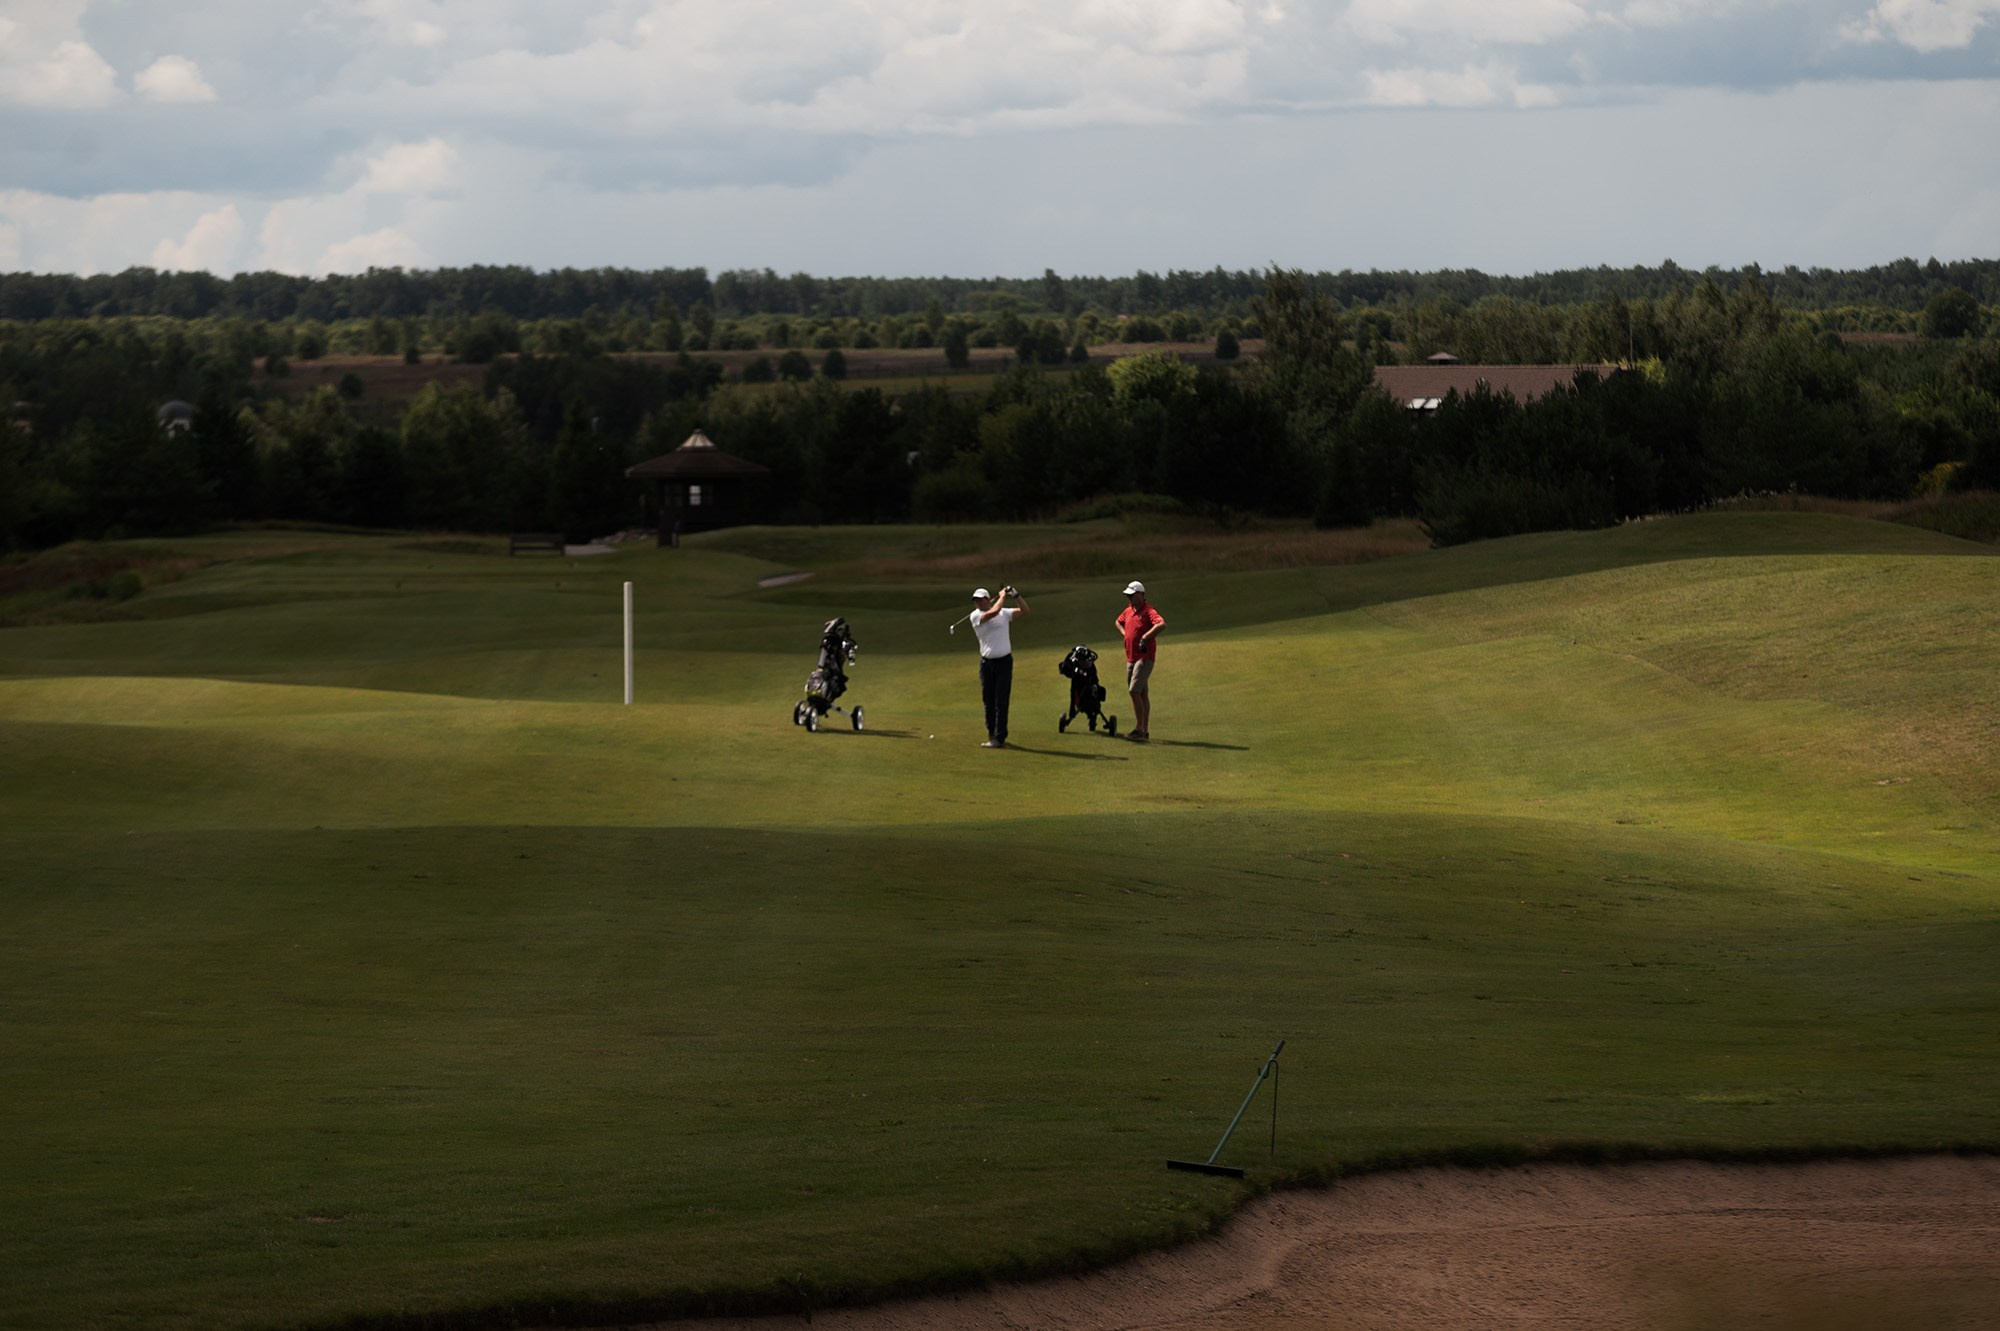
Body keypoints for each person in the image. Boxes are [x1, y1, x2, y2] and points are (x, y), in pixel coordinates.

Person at [970, 584, 1028, 748]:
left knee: (1001, 701)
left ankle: (999, 738)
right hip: (987, 664)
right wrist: (1003, 595)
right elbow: (994, 612)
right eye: (975, 600)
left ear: (987, 599)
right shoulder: (976, 616)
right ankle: (992, 735)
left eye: (980, 600)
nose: (977, 603)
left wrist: (1016, 595)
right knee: (988, 701)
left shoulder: (1004, 613)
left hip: (1004, 662)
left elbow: (1025, 610)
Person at [1115, 579, 1164, 742]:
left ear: (1141, 595)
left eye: (1132, 595)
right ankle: (1144, 730)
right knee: (1142, 693)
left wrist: (1145, 637)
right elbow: (1118, 621)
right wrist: (1125, 634)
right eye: (1128, 596)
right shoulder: (1129, 610)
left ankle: (1140, 730)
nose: (1129, 598)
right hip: (1131, 657)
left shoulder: (1148, 611)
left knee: (1134, 691)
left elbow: (1161, 624)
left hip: (1145, 657)